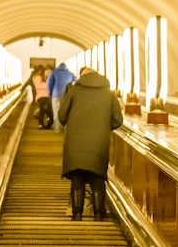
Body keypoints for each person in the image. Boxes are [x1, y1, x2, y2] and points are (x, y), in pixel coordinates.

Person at [58, 67, 124, 221]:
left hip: (75, 142)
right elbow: (118, 120)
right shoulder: (109, 93)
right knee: (97, 177)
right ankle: (99, 213)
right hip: (99, 141)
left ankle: (76, 214)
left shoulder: (74, 91)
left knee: (77, 177)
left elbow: (62, 116)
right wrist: (103, 128)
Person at [47, 62, 76, 132]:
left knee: (56, 112)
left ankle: (58, 128)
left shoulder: (54, 73)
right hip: (67, 95)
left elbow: (49, 83)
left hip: (56, 94)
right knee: (66, 112)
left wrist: (50, 93)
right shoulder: (70, 74)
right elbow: (75, 83)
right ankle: (65, 128)